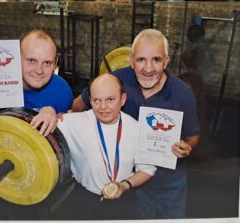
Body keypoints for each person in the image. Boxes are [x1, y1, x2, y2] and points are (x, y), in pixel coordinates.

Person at [71, 29, 200, 219]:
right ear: (131, 60)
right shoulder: (118, 80)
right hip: (131, 178)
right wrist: (65, 116)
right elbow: (80, 103)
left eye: (156, 60)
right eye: (141, 60)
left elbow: (193, 135)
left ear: (167, 61)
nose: (148, 68)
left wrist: (187, 147)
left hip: (169, 182)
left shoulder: (182, 94)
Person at [31, 74, 156, 220]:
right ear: (90, 100)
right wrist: (48, 110)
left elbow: (147, 170)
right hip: (84, 200)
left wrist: (125, 185)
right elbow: (35, 123)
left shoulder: (137, 129)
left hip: (123, 199)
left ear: (122, 99)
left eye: (110, 99)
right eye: (97, 100)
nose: (103, 107)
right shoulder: (72, 123)